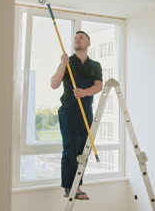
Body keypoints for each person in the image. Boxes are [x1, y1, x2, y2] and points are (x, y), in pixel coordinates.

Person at [50, 31, 103, 200]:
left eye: (81, 38)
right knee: (70, 148)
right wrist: (63, 65)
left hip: (86, 112)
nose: (77, 39)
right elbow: (54, 84)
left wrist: (84, 92)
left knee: (83, 150)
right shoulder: (68, 62)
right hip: (69, 111)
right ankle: (68, 187)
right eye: (75, 38)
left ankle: (78, 186)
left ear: (88, 43)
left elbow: (98, 86)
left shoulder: (95, 65)